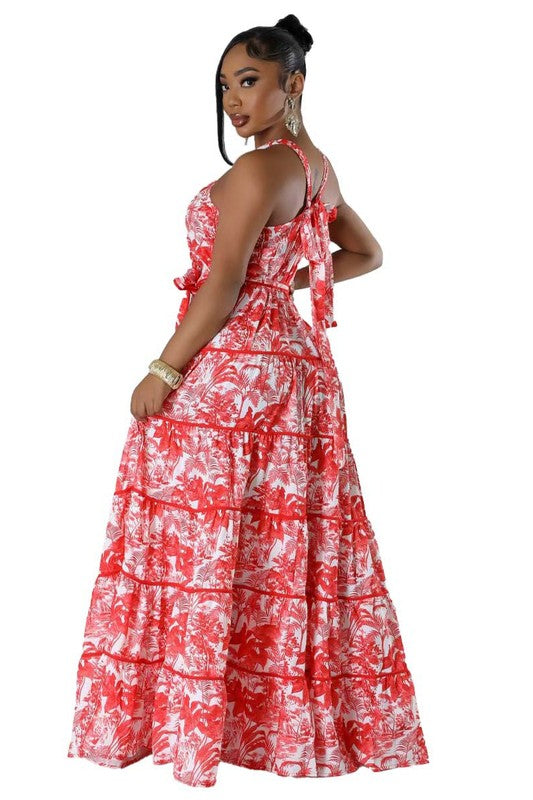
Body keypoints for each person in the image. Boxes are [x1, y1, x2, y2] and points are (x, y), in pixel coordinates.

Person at [67, 14, 429, 788]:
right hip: (296, 375)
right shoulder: (316, 169)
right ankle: (271, 729)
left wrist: (163, 370)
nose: (234, 99)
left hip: (231, 380)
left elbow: (222, 284)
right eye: (226, 85)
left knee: (201, 543)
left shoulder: (261, 169)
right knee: (276, 545)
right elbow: (362, 253)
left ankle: (195, 727)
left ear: (293, 84)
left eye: (250, 80)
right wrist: (279, 288)